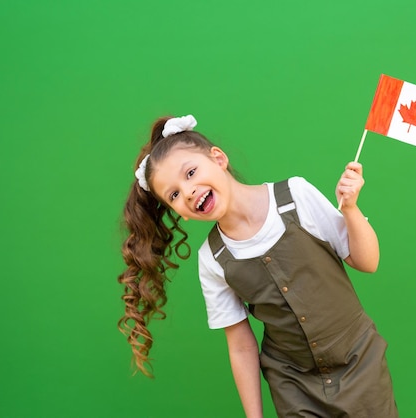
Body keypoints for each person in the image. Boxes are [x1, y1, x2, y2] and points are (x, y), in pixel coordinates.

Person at [118, 115, 399, 417]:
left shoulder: (296, 196)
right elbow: (240, 345)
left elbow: (367, 262)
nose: (188, 191)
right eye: (174, 194)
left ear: (218, 158)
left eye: (190, 172)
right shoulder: (213, 259)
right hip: (293, 383)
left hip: (360, 361)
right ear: (179, 212)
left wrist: (352, 209)